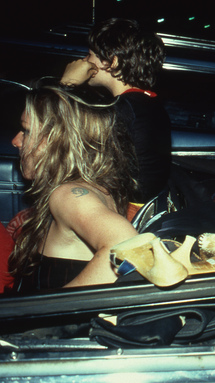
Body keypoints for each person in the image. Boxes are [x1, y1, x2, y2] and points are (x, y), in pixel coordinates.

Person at [7, 86, 139, 291]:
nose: (16, 141)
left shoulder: (69, 195)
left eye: (26, 131)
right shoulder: (89, 188)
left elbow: (127, 245)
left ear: (57, 140)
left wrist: (56, 313)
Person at [60, 18, 171, 203]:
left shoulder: (122, 109)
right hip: (145, 205)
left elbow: (52, 130)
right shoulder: (148, 103)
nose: (84, 61)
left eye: (89, 55)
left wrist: (67, 84)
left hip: (127, 210)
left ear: (111, 61)